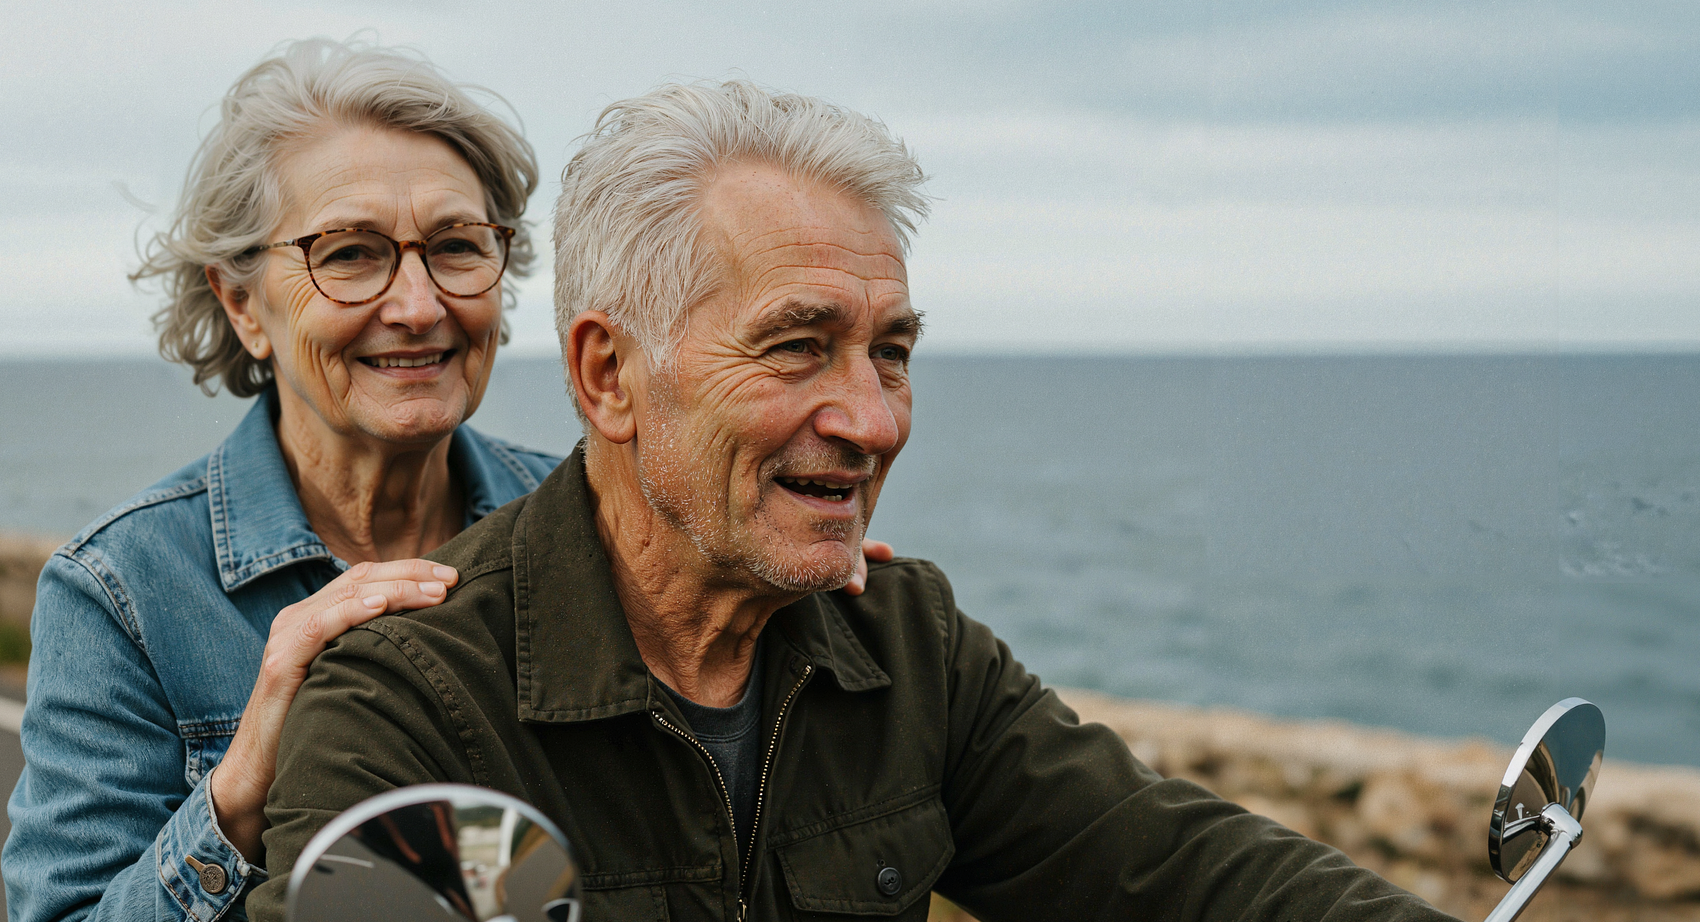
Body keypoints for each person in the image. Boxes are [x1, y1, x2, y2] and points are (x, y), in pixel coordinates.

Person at [249, 80, 1460, 921]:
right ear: (608, 374)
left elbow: (1176, 873)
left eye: (891, 351)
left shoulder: (902, 643)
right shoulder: (411, 703)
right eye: (797, 347)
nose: (874, 420)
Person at [1, 39, 563, 922]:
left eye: (455, 246)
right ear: (241, 304)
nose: (418, 305)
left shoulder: (591, 528)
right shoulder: (126, 591)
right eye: (349, 254)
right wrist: (239, 792)